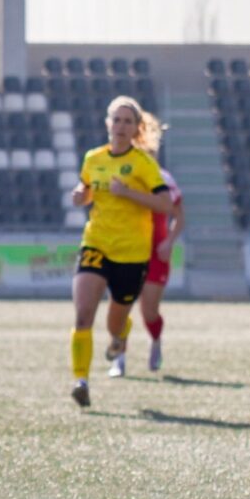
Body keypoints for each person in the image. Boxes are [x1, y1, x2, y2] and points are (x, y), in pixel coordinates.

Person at [68, 96, 173, 405]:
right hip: (96, 242)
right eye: (117, 120)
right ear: (108, 124)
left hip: (131, 253)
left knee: (115, 322)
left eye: (128, 121)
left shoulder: (143, 164)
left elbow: (165, 204)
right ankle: (81, 381)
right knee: (84, 313)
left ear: (136, 128)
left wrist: (128, 193)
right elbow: (87, 191)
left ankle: (119, 337)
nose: (121, 126)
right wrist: (81, 196)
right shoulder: (93, 158)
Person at [137, 145, 184, 373]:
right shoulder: (125, 176)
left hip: (156, 252)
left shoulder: (164, 179)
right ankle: (120, 356)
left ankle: (155, 341)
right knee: (120, 304)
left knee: (149, 310)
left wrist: (169, 241)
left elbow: (179, 217)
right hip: (127, 248)